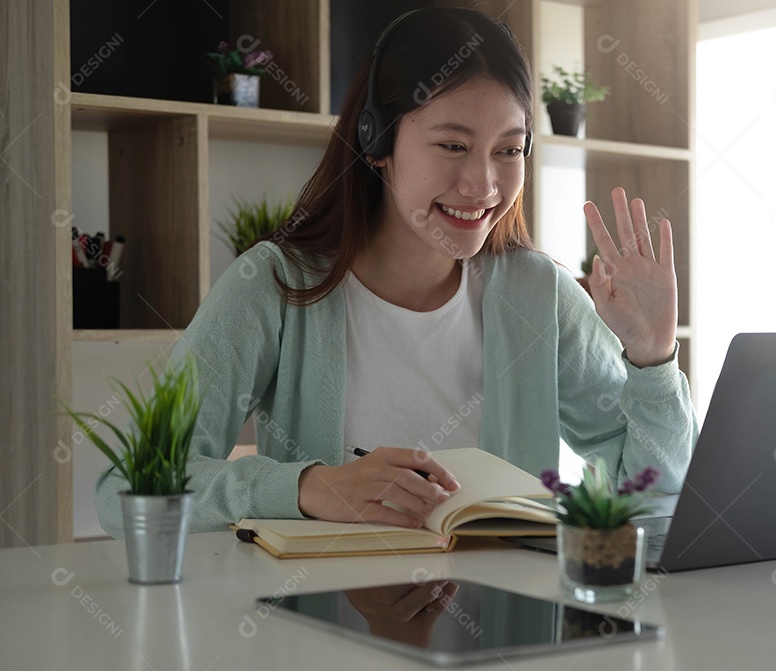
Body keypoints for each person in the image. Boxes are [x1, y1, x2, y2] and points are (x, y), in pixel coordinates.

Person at [95, 7, 698, 538]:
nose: (484, 186)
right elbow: (128, 491)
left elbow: (656, 490)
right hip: (329, 630)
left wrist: (652, 357)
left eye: (509, 150)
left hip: (513, 631)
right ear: (375, 139)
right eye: (453, 145)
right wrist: (308, 488)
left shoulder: (540, 295)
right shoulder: (275, 287)